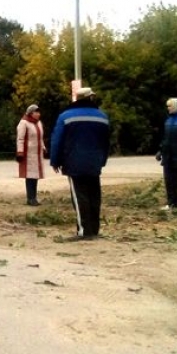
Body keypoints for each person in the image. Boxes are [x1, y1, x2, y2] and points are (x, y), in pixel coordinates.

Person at [49, 87, 110, 240]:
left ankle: (84, 231)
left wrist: (55, 160)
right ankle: (94, 230)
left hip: (73, 161)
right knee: (94, 195)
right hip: (95, 162)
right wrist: (102, 160)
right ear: (91, 98)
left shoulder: (65, 116)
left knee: (79, 196)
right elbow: (106, 142)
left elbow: (57, 141)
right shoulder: (102, 116)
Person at [16, 104, 46, 206]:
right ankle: (30, 198)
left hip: (37, 154)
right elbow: (20, 139)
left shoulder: (39, 123)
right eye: (36, 112)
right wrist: (20, 152)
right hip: (28, 154)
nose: (38, 114)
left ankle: (34, 197)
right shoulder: (23, 123)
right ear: (30, 113)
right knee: (30, 176)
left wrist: (43, 147)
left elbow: (40, 138)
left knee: (35, 176)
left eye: (39, 112)